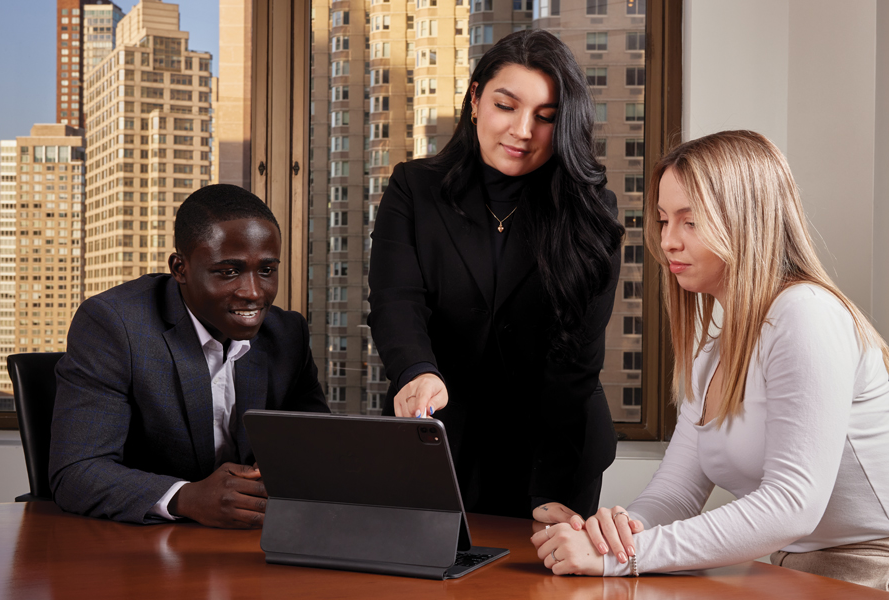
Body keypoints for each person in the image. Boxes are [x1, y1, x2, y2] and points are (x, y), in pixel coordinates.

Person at [532, 130, 889, 590]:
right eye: (663, 220)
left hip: (869, 573)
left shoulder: (806, 314)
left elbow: (793, 503)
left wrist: (627, 557)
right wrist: (607, 539)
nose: (668, 242)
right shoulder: (714, 350)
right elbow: (676, 493)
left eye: (690, 221)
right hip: (787, 570)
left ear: (747, 220)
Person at [368, 30, 623, 521]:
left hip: (556, 445)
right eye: (507, 105)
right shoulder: (413, 189)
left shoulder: (591, 211)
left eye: (546, 117)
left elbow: (576, 358)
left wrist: (550, 489)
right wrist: (416, 370)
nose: (523, 130)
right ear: (475, 99)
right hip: (436, 434)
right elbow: (397, 300)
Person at [49, 184, 329, 528]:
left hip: (250, 543)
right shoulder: (114, 325)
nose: (253, 292)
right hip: (137, 548)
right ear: (180, 268)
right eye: (229, 271)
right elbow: (77, 471)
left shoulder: (287, 335)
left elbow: (319, 452)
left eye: (267, 270)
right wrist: (187, 497)